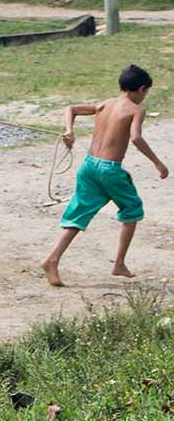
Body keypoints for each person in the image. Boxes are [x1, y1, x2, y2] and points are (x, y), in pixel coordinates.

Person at [41, 64, 168, 286]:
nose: (145, 97)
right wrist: (158, 163)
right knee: (132, 210)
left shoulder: (104, 104)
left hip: (89, 166)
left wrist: (69, 131)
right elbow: (136, 138)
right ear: (140, 89)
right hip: (109, 170)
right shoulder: (135, 110)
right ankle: (119, 263)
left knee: (79, 213)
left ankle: (52, 259)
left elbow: (70, 109)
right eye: (145, 92)